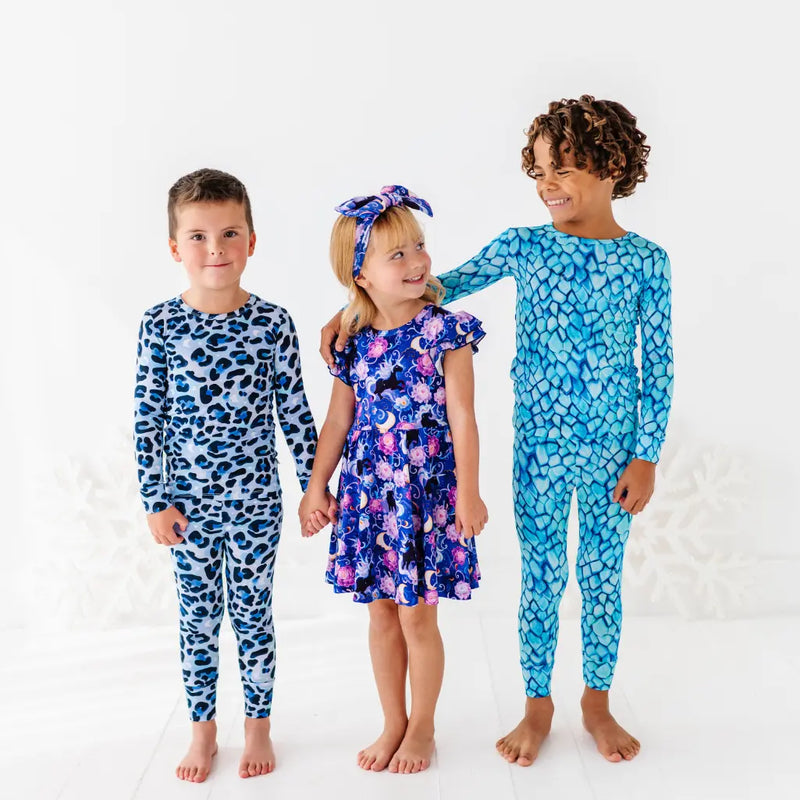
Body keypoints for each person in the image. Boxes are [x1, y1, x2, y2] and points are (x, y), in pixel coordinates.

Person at [321, 97, 674, 765]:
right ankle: (536, 705)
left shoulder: (647, 262)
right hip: (538, 449)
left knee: (601, 579)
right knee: (541, 578)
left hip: (613, 455)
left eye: (564, 169)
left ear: (613, 167)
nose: (547, 185)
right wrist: (354, 309)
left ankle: (596, 703)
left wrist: (647, 456)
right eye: (539, 171)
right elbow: (433, 287)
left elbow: (657, 363)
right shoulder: (524, 246)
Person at [134, 168, 322, 783]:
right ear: (174, 248)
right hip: (188, 507)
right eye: (198, 236)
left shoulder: (271, 324)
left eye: (229, 233)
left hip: (255, 503)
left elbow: (294, 411)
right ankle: (202, 730)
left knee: (252, 614)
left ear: (251, 241)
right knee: (197, 618)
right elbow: (148, 419)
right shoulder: (160, 324)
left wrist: (314, 487)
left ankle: (259, 726)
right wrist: (155, 501)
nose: (215, 249)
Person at [300, 185, 488, 774]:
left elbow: (463, 417)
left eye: (419, 247)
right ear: (360, 276)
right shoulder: (351, 340)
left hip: (426, 493)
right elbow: (337, 419)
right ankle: (393, 721)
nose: (417, 263)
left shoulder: (446, 331)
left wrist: (470, 490)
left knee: (417, 615)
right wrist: (315, 487)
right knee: (381, 613)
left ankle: (424, 725)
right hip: (370, 495)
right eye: (396, 255)